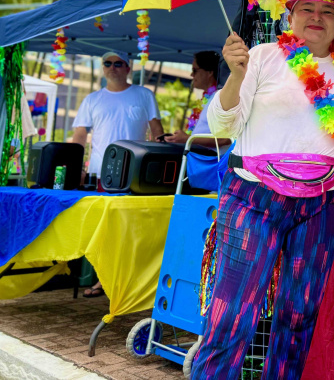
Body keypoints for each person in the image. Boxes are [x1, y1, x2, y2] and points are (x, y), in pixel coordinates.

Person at [190, 0, 334, 380]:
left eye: (328, 11)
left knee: (301, 314)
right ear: (290, 16)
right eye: (307, 8)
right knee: (233, 311)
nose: (316, 17)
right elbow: (221, 125)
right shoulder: (262, 58)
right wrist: (234, 77)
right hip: (255, 198)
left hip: (322, 205)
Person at [72, 51, 164, 298]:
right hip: (103, 174)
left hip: (135, 174)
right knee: (104, 229)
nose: (112, 67)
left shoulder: (144, 95)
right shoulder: (92, 99)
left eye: (118, 63)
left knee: (132, 229)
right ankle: (103, 280)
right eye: (107, 63)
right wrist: (77, 167)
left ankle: (130, 281)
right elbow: (80, 135)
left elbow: (157, 132)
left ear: (128, 68)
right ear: (102, 68)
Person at [166, 51, 231, 151]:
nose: (192, 75)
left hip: (210, 163)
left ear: (209, 72)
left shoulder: (220, 98)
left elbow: (225, 139)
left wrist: (188, 139)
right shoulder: (207, 98)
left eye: (195, 70)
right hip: (198, 159)